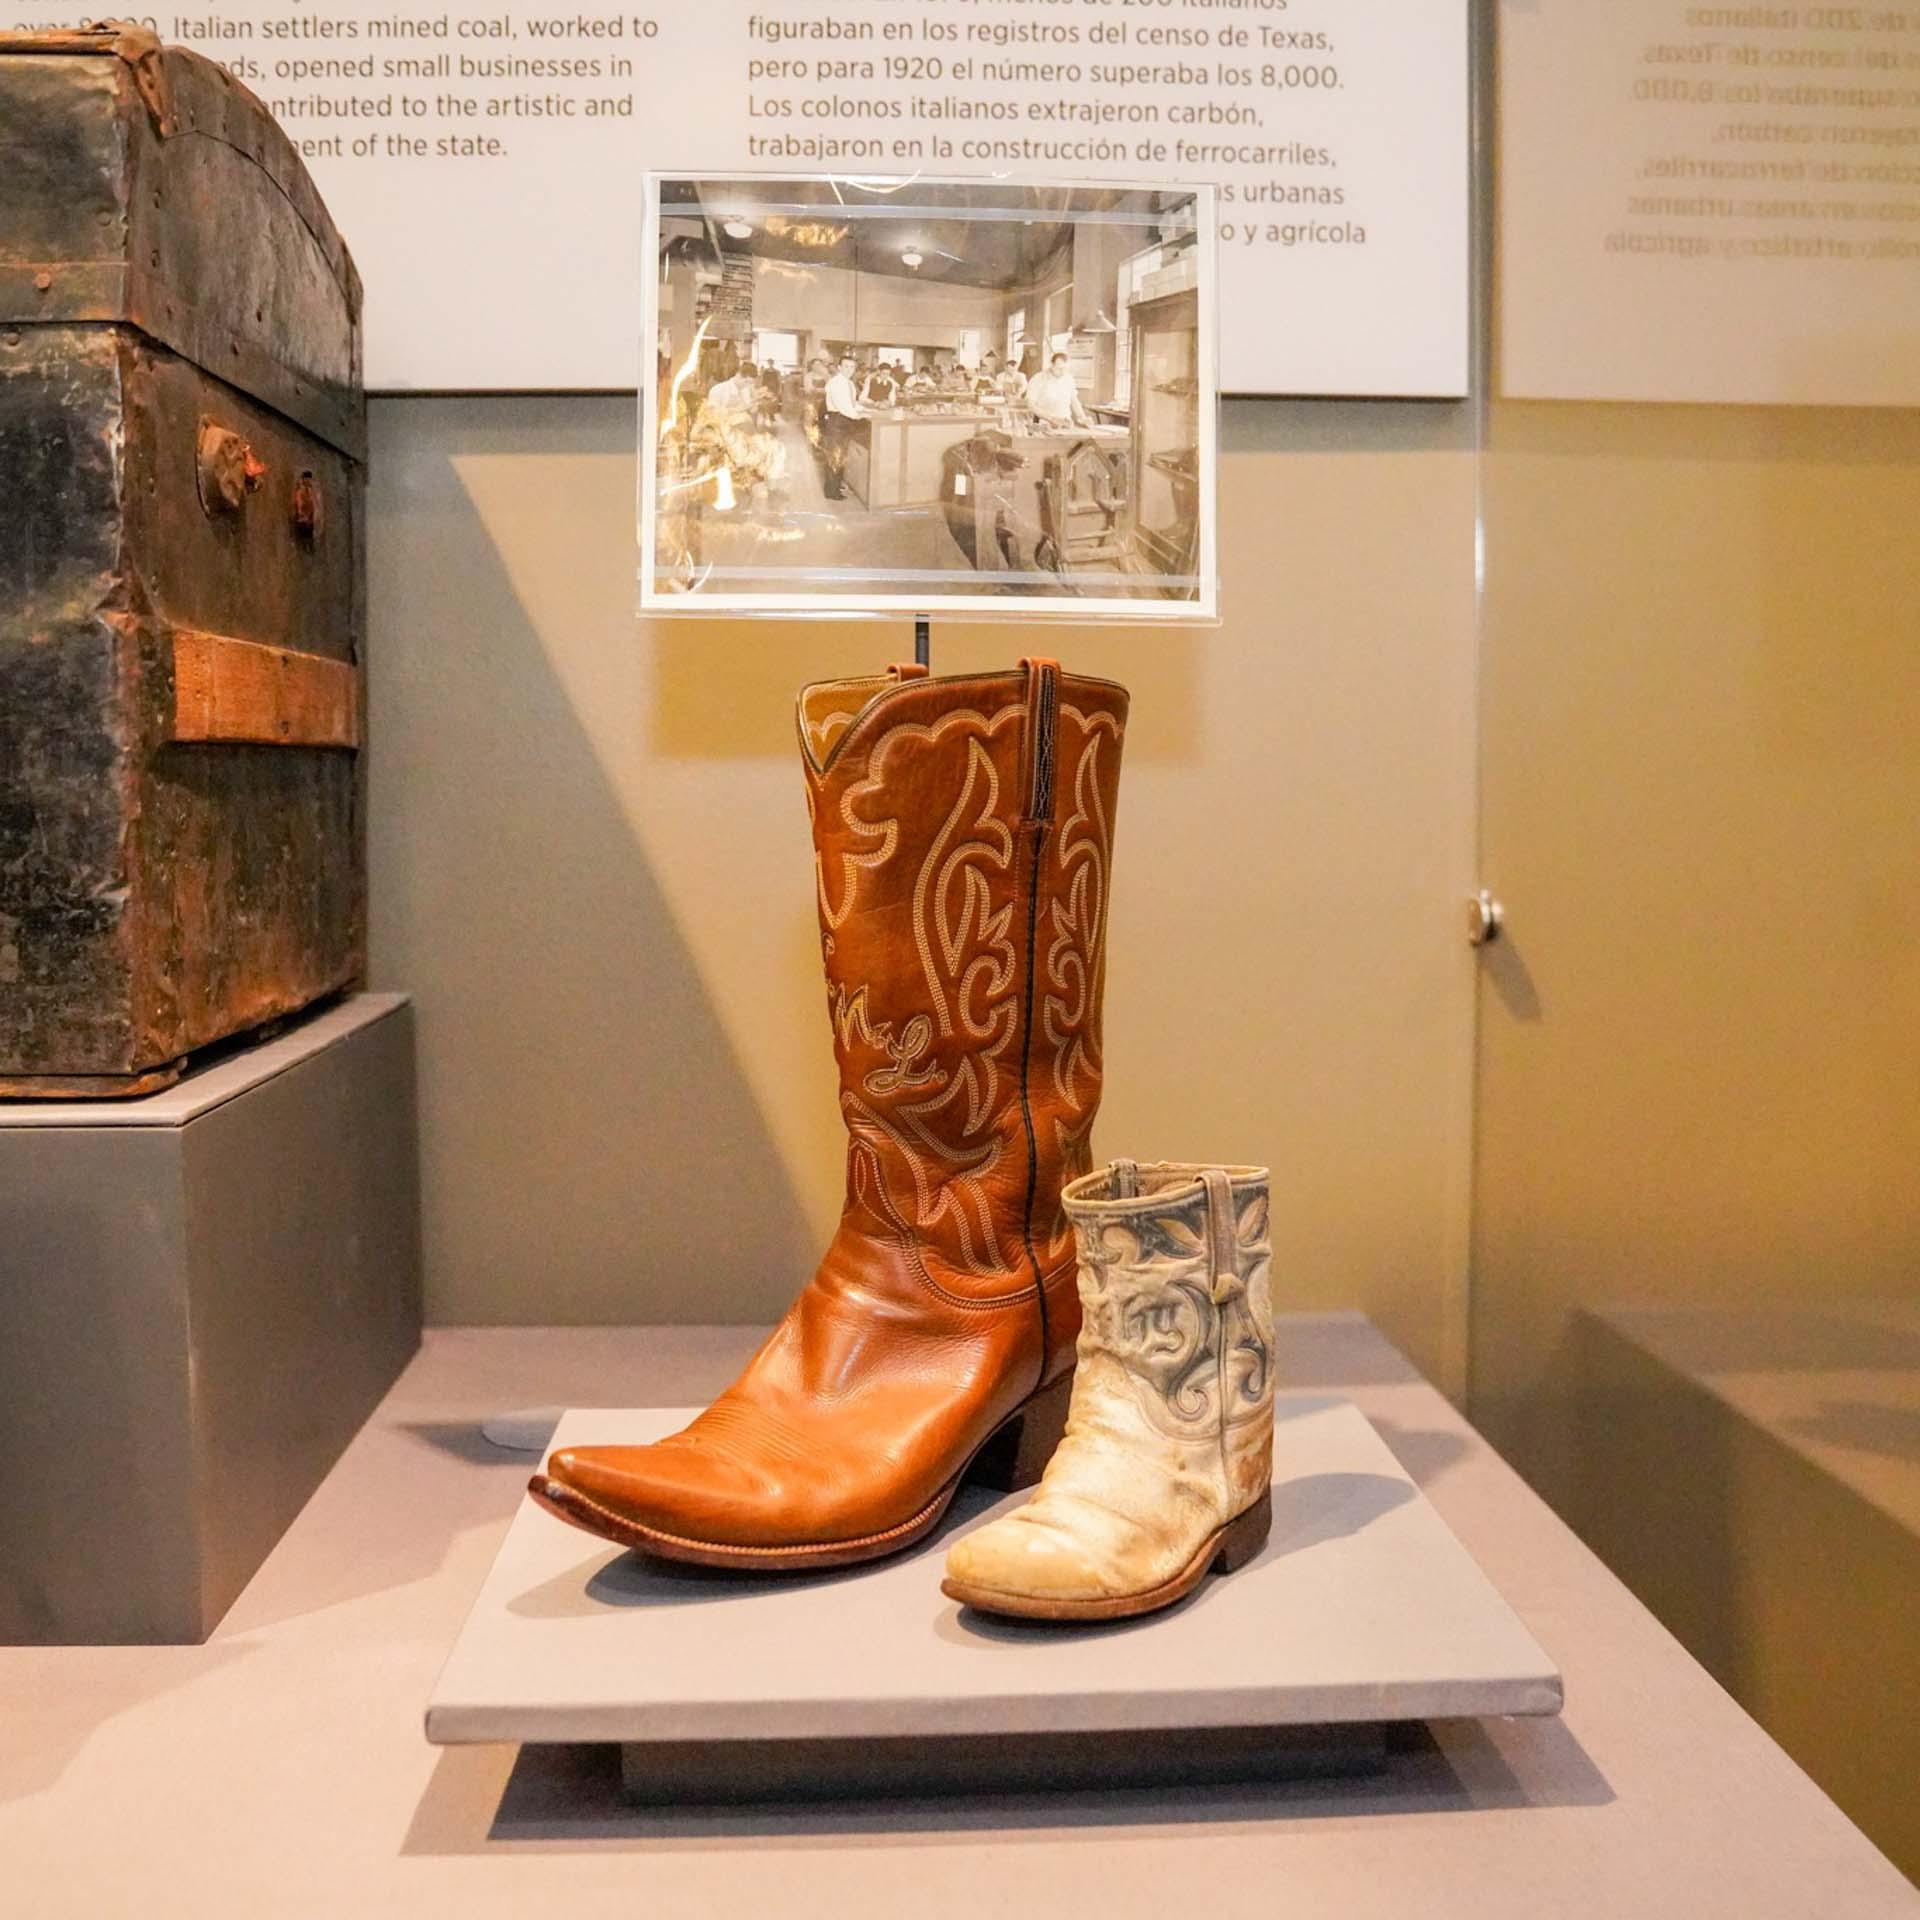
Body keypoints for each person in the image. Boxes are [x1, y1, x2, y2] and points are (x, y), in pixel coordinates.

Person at [820, 352, 863, 500]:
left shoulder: (849, 383)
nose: (849, 369)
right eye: (846, 366)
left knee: (841, 456)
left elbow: (852, 404)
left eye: (852, 367)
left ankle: (836, 485)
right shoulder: (837, 382)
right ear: (839, 367)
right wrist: (860, 415)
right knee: (834, 456)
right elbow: (845, 407)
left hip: (844, 422)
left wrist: (863, 410)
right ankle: (831, 492)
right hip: (837, 421)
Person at [1025, 351, 1091, 430]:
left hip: (1066, 423)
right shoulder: (1038, 378)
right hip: (1045, 424)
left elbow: (1074, 401)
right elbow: (1031, 405)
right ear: (1052, 365)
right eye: (1060, 368)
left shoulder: (1068, 378)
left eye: (1065, 369)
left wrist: (1082, 418)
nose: (1063, 372)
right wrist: (1051, 419)